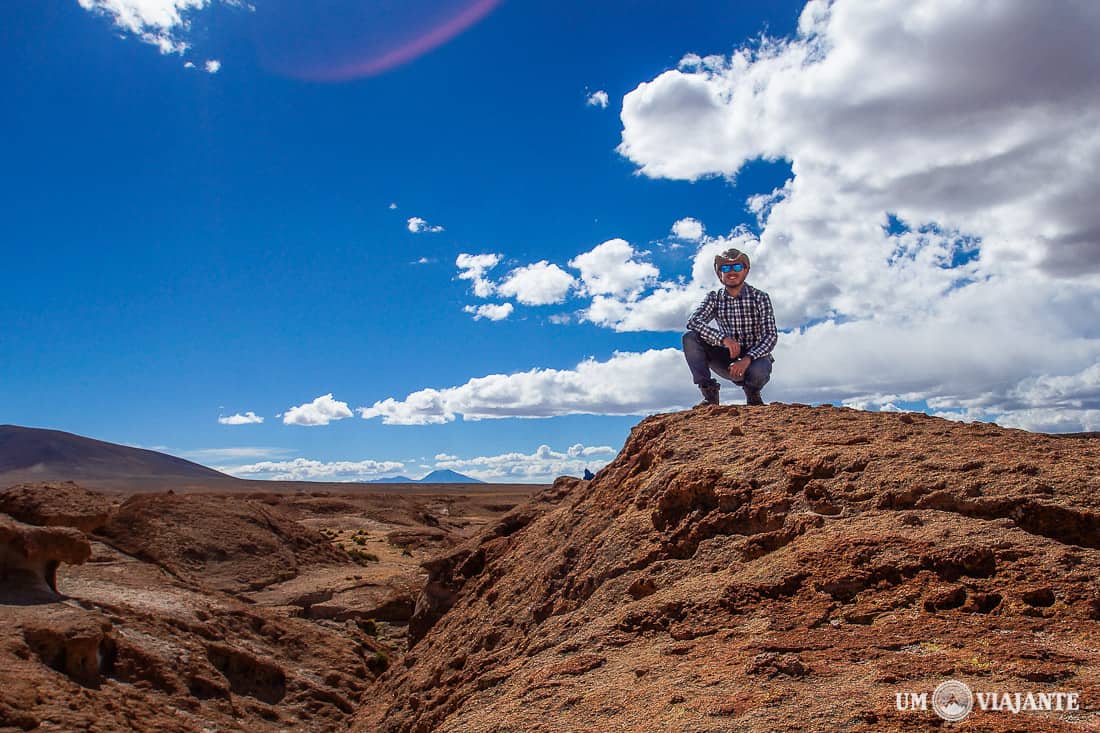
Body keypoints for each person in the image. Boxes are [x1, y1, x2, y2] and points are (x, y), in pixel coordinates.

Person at [682, 247, 777, 406]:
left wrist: (747, 358)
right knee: (690, 338)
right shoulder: (714, 298)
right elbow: (693, 321)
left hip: (755, 360)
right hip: (727, 358)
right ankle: (709, 394)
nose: (731, 271)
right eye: (725, 268)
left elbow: (771, 336)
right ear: (719, 274)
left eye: (737, 267)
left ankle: (753, 394)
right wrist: (723, 339)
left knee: (760, 369)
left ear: (746, 271)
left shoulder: (760, 298)